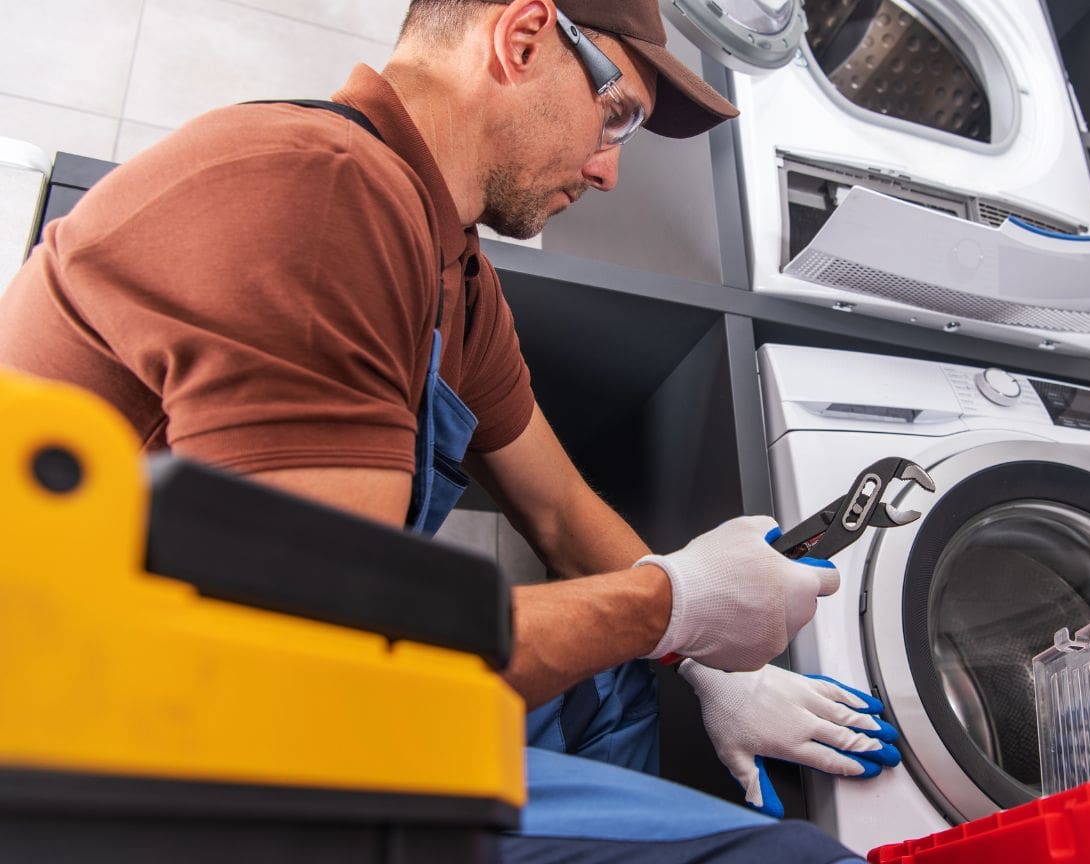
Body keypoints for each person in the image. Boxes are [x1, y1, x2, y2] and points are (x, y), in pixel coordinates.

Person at [0, 0, 903, 860]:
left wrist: (711, 662)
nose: (607, 170)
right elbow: (325, 670)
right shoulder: (318, 195)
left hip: (280, 687)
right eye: (616, 116)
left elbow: (558, 511)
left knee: (612, 670)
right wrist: (674, 604)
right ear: (521, 38)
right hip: (129, 750)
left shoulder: (451, 266)